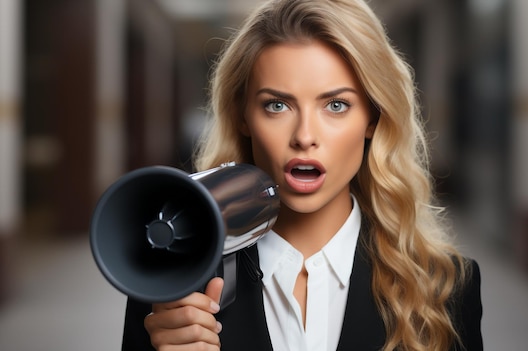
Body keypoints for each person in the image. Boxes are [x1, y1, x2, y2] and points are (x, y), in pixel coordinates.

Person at [121, 0, 483, 350]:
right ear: (243, 116)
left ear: (372, 118)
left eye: (336, 105)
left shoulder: (444, 287)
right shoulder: (170, 285)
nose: (304, 136)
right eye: (277, 105)